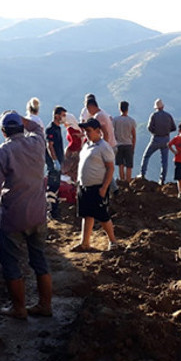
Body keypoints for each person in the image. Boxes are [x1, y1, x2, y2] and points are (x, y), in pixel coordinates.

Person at [0, 111, 54, 319]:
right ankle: (45, 306)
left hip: (13, 216)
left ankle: (19, 309)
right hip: (39, 213)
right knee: (40, 261)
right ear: (21, 126)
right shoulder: (38, 142)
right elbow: (38, 128)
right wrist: (22, 118)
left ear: (3, 132)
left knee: (10, 262)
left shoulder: (3, 151)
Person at [72, 118, 118, 252]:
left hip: (97, 186)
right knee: (87, 214)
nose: (86, 133)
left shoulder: (104, 147)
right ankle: (85, 243)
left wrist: (104, 188)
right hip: (84, 185)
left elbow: (110, 168)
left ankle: (113, 241)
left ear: (98, 131)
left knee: (102, 216)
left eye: (89, 131)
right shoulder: (87, 145)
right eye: (85, 131)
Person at [138, 98, 176, 185]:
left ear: (156, 107)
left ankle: (142, 174)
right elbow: (174, 128)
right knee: (164, 161)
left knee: (146, 156)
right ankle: (162, 180)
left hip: (156, 138)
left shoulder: (154, 115)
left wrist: (155, 132)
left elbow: (149, 127)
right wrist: (166, 131)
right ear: (163, 106)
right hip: (166, 139)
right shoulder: (168, 115)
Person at [45, 106, 66, 220]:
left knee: (56, 186)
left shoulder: (58, 128)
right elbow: (49, 145)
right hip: (53, 163)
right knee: (52, 186)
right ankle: (50, 211)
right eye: (63, 115)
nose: (64, 118)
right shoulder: (51, 129)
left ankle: (55, 210)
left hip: (58, 161)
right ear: (57, 115)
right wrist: (54, 161)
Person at [114, 101, 137, 182]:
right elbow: (134, 135)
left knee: (121, 164)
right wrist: (133, 147)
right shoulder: (131, 121)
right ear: (127, 109)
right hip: (128, 144)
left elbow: (113, 133)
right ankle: (128, 181)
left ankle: (122, 180)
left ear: (119, 108)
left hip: (119, 144)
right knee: (129, 165)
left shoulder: (115, 120)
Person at [62, 112, 85, 182]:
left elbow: (74, 142)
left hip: (73, 152)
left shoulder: (71, 129)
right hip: (79, 151)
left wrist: (68, 150)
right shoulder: (77, 128)